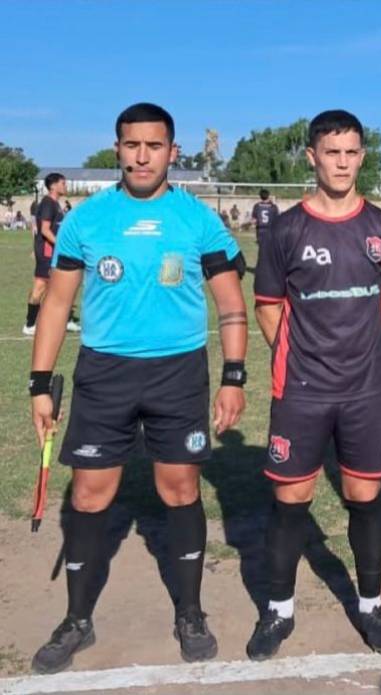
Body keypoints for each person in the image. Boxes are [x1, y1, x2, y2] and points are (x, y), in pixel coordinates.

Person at [28, 102, 248, 673]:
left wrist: (233, 376)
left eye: (154, 146)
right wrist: (39, 384)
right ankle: (77, 620)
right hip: (105, 374)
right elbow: (56, 304)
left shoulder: (198, 219)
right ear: (118, 149)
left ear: (173, 152)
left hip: (178, 372)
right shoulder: (86, 220)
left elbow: (230, 304)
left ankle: (190, 612)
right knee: (88, 495)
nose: (142, 156)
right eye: (132, 145)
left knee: (180, 489)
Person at [248, 109, 381, 660]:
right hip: (302, 389)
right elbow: (268, 306)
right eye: (332, 152)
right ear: (312, 157)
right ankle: (278, 610)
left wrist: (365, 349)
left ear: (362, 157)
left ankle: (371, 605)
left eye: (351, 152)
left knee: (365, 497)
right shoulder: (285, 229)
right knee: (291, 499)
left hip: (366, 390)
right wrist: (303, 357)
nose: (342, 163)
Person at [24, 173, 79, 336]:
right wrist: (62, 246)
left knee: (61, 285)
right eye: (63, 183)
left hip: (53, 252)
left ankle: (65, 320)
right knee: (40, 287)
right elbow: (45, 230)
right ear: (53, 186)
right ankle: (30, 324)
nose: (65, 186)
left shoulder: (55, 204)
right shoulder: (48, 203)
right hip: (47, 253)